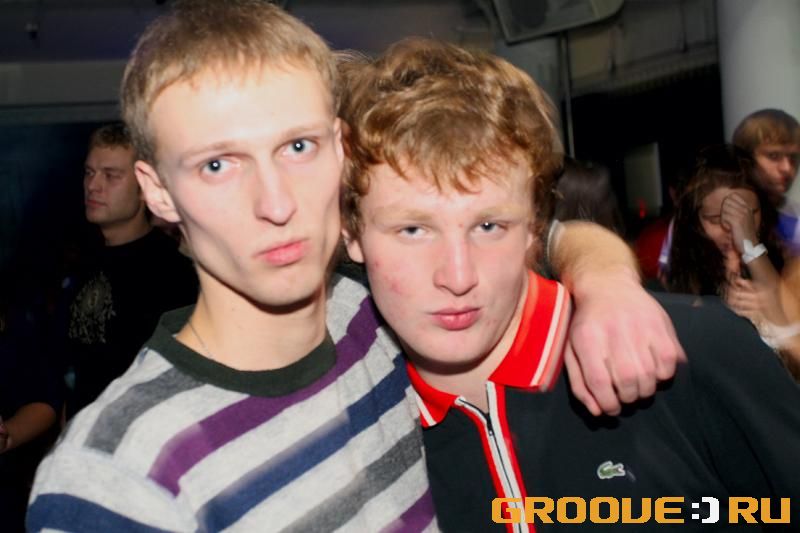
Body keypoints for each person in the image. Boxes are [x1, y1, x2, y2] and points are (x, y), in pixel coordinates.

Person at [28, 2, 682, 530]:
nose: (276, 203)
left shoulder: (376, 314)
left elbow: (510, 228)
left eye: (298, 146)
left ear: (341, 150)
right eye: (218, 164)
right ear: (158, 192)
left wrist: (607, 283)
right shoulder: (116, 473)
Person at [339, 38, 800, 532]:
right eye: (412, 229)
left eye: (489, 226)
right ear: (351, 233)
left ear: (535, 228)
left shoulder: (693, 350)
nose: (457, 276)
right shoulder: (350, 431)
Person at [57, 121, 198, 417]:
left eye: (111, 175)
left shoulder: (173, 274)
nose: (93, 186)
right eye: (89, 172)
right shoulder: (83, 263)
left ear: (144, 188)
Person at [667, 144, 800, 375]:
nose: (733, 228)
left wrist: (751, 248)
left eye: (746, 216)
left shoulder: (790, 267)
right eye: (716, 219)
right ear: (695, 221)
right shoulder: (682, 275)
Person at [733, 109, 800, 254]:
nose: (787, 168)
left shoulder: (796, 217)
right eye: (774, 156)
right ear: (745, 158)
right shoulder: (721, 213)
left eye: (793, 158)